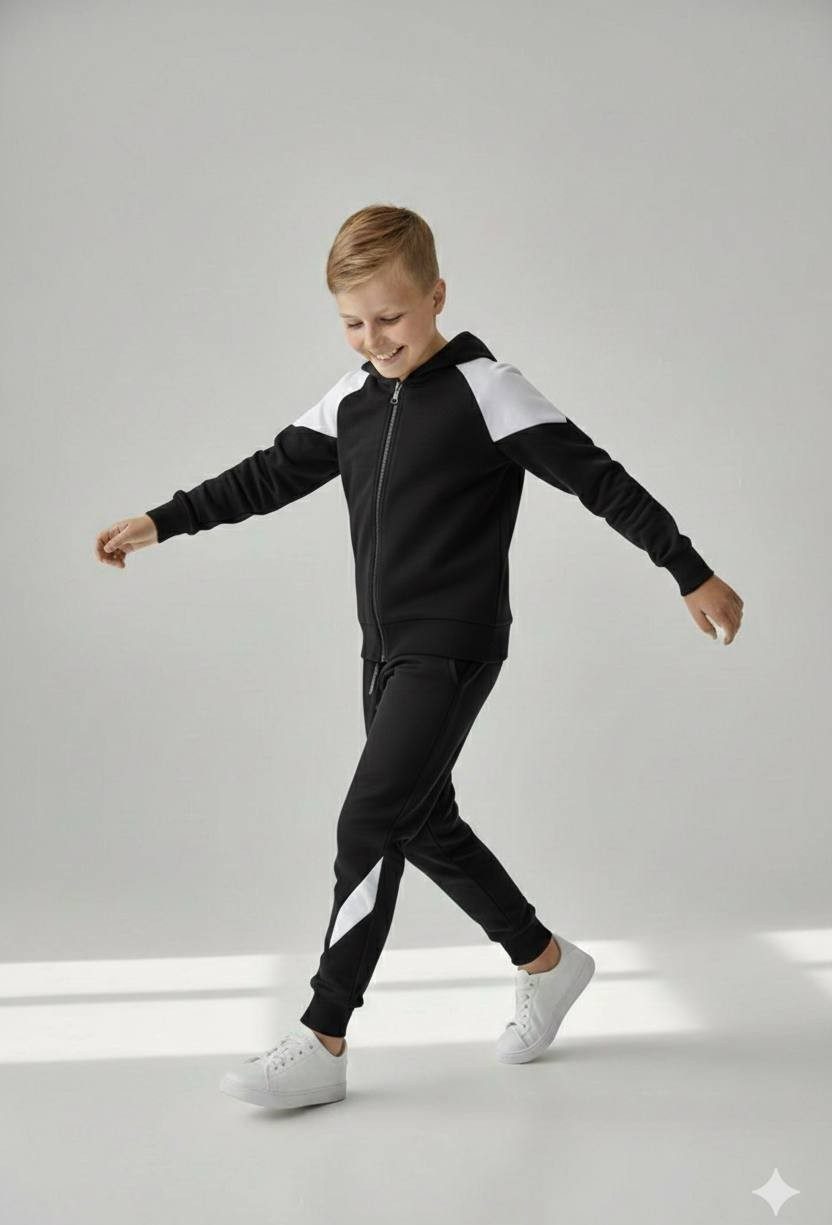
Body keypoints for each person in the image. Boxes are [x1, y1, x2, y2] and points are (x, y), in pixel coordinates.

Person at [94, 203, 744, 1111]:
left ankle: (324, 1034)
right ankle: (546, 962)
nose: (374, 339)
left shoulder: (489, 388)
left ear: (437, 296)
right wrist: (163, 521)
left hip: (454, 646)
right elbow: (266, 475)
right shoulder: (352, 399)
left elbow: (599, 479)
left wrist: (689, 570)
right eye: (353, 323)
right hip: (384, 653)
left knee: (367, 822)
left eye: (391, 317)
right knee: (422, 822)